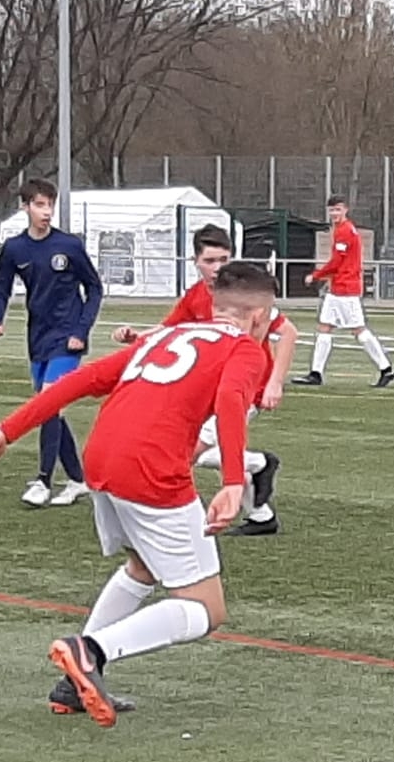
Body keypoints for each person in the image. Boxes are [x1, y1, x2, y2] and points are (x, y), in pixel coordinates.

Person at [0, 262, 279, 726]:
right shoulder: (246, 349)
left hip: (102, 458)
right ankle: (91, 650)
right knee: (207, 609)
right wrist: (232, 482)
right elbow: (231, 400)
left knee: (143, 566)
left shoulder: (164, 336)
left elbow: (81, 380)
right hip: (151, 468)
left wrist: (6, 432)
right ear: (260, 316)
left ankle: (73, 683)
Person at [113, 224, 297, 536]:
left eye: (224, 260)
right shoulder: (196, 296)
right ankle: (259, 493)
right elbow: (171, 329)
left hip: (245, 388)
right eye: (210, 261)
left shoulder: (243, 294)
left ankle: (169, 520)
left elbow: (288, 332)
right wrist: (138, 336)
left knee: (186, 452)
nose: (217, 268)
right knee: (187, 448)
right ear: (195, 261)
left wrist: (275, 383)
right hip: (208, 388)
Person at [0, 178, 104, 508]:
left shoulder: (69, 245)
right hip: (38, 337)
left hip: (68, 338)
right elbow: (1, 288)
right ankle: (78, 480)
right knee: (49, 408)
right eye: (39, 205)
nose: (46, 211)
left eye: (50, 205)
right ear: (25, 207)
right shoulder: (15, 248)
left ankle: (43, 481)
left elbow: (94, 288)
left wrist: (81, 330)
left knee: (49, 402)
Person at [293, 195, 394, 388]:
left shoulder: (345, 231)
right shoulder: (341, 229)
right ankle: (316, 373)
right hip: (337, 288)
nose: (334, 213)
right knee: (325, 327)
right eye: (332, 210)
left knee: (359, 330)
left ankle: (386, 368)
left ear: (345, 210)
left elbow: (337, 262)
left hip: (346, 289)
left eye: (338, 209)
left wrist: (316, 275)